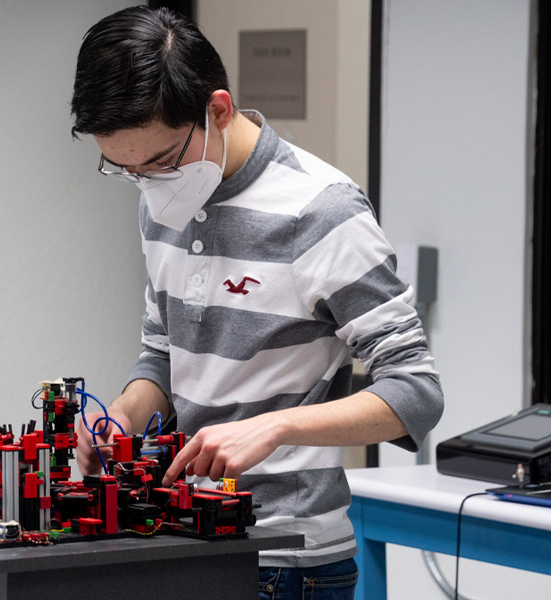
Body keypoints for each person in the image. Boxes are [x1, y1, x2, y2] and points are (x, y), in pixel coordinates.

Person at [69, 6, 443, 600]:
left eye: (161, 162)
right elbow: (163, 356)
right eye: (125, 169)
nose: (146, 183)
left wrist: (274, 428)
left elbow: (416, 394)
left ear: (217, 111)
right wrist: (121, 416)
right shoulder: (159, 200)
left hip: (286, 565)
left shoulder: (321, 213)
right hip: (184, 544)